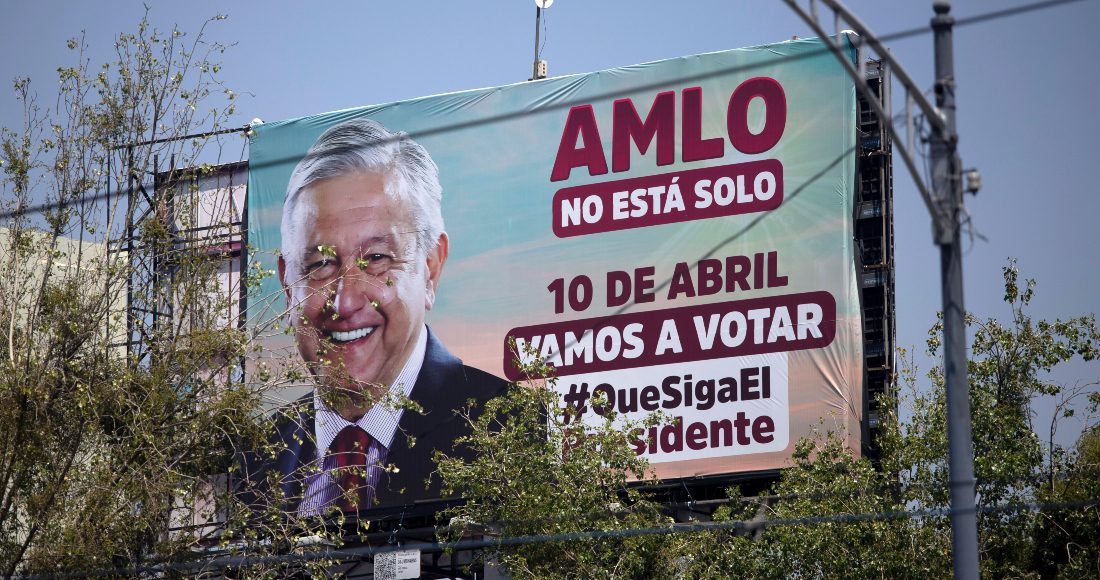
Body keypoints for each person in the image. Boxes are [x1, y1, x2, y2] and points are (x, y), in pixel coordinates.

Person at [239, 118, 506, 516]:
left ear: (431, 268)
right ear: (287, 285)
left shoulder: (507, 428)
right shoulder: (253, 463)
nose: (345, 302)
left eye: (377, 258)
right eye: (320, 265)